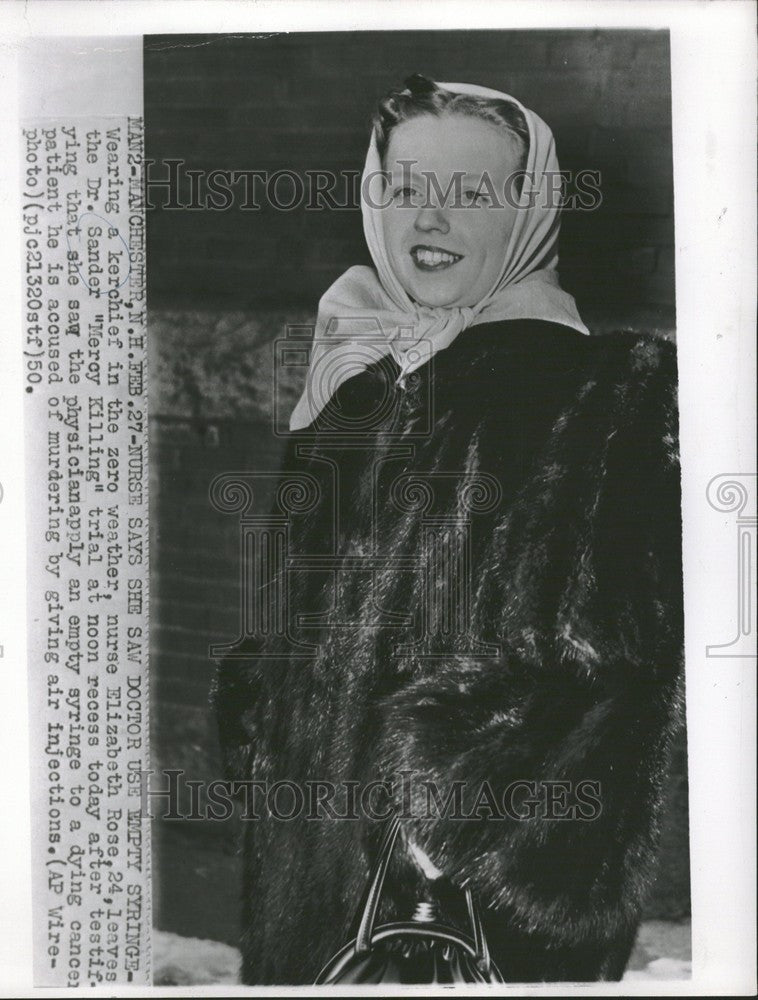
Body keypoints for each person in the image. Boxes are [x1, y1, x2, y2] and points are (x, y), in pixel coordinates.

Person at [213, 75, 684, 984]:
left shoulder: (602, 397)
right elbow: (296, 621)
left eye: (470, 192)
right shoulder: (352, 382)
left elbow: (618, 679)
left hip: (468, 909)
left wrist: (446, 821)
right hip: (312, 885)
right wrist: (265, 721)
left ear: (528, 209)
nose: (430, 217)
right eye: (407, 186)